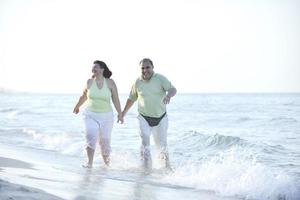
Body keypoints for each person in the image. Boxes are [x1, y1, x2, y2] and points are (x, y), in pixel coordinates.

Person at [121, 58, 177, 170]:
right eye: (142, 68)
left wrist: (168, 95)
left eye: (147, 67)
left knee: (162, 146)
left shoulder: (160, 79)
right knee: (145, 142)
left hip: (160, 118)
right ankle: (146, 170)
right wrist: (123, 113)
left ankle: (166, 170)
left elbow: (173, 89)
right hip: (143, 117)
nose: (145, 70)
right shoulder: (137, 82)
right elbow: (131, 99)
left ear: (152, 68)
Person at [73, 60, 123, 168]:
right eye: (93, 68)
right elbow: (84, 96)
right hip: (90, 115)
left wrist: (120, 114)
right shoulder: (89, 82)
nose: (93, 69)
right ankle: (89, 163)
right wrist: (77, 106)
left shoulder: (110, 82)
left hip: (107, 116)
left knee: (105, 140)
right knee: (90, 136)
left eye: (96, 67)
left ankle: (107, 165)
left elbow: (116, 99)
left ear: (102, 69)